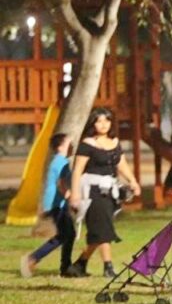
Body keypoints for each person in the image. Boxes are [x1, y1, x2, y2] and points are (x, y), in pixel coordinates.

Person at [68, 108, 142, 278]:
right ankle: (108, 267)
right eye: (99, 121)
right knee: (103, 228)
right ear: (93, 123)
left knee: (99, 230)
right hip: (92, 191)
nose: (103, 125)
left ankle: (79, 264)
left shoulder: (114, 142)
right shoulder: (87, 144)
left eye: (107, 121)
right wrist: (75, 194)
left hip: (110, 191)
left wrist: (133, 181)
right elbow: (77, 170)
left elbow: (121, 164)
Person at [20, 133, 76, 278]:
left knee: (68, 234)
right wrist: (68, 195)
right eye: (69, 143)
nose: (72, 146)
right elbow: (60, 183)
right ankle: (33, 258)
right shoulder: (61, 162)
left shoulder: (59, 160)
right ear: (60, 146)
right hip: (56, 203)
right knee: (65, 235)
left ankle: (65, 267)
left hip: (57, 203)